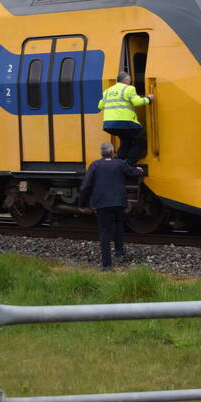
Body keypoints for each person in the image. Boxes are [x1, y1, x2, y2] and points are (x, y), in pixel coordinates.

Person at [79, 141, 144, 270]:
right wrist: (139, 170)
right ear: (112, 152)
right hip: (119, 202)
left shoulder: (95, 165)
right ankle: (119, 251)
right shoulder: (119, 163)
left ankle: (107, 265)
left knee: (104, 232)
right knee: (119, 225)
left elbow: (86, 186)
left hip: (102, 203)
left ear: (101, 153)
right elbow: (133, 172)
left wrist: (81, 203)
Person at [98, 71, 154, 166]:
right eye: (130, 80)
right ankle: (129, 164)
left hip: (109, 124)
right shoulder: (129, 88)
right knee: (141, 138)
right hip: (124, 122)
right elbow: (137, 102)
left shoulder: (107, 91)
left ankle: (118, 163)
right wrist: (148, 99)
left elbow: (100, 106)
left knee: (126, 141)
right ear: (127, 80)